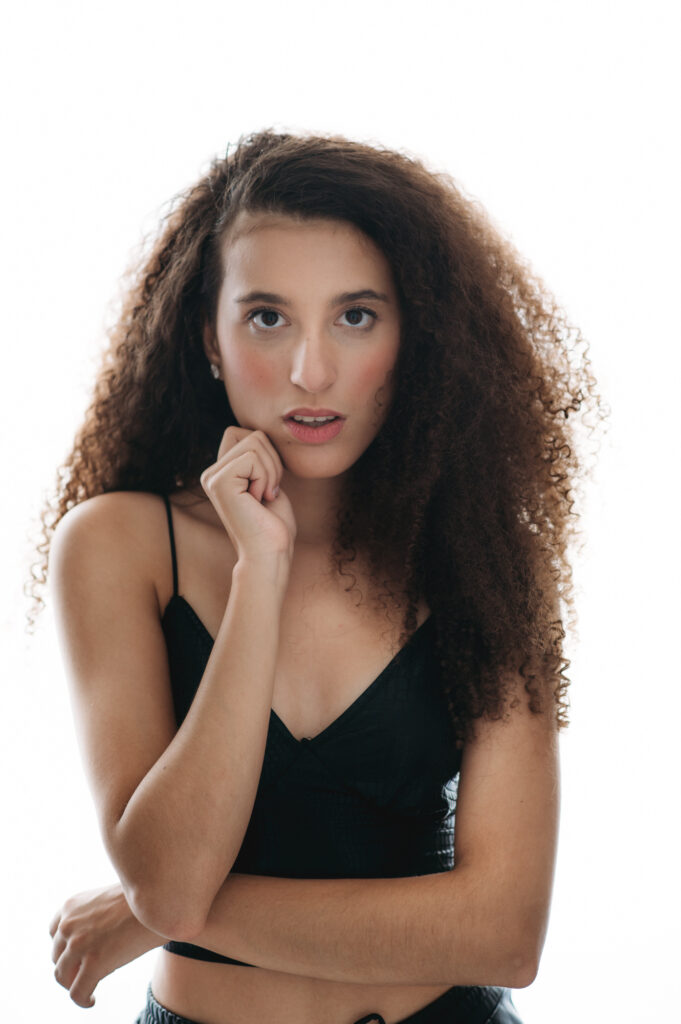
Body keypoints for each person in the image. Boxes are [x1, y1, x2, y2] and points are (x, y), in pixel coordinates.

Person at [35, 129, 603, 1024]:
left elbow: (501, 935)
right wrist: (259, 570)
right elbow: (171, 884)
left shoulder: (482, 557)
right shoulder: (120, 546)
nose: (311, 371)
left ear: (415, 336)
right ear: (208, 338)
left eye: (355, 316)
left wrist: (146, 916)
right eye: (267, 317)